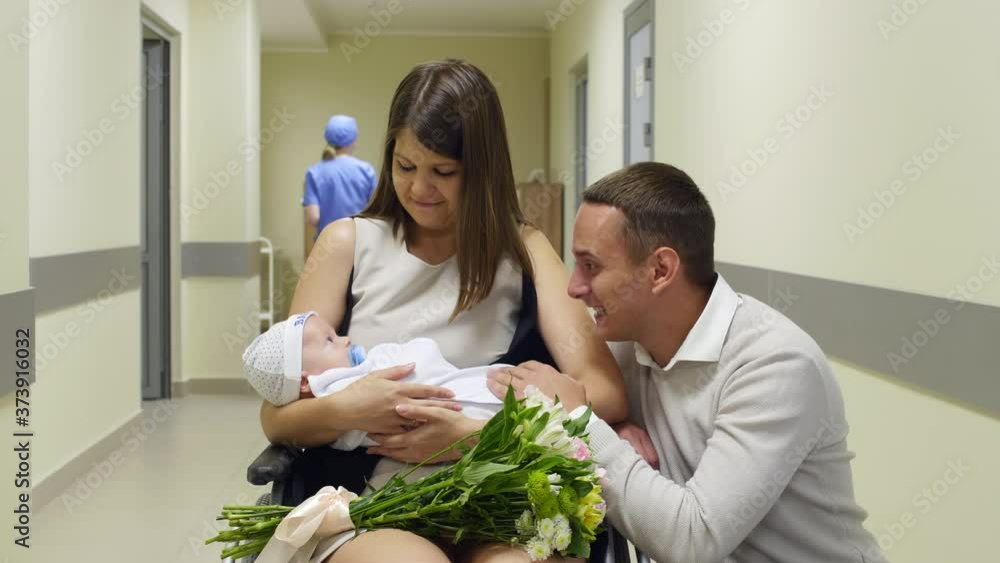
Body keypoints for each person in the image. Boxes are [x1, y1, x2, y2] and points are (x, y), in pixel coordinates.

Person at [259, 59, 626, 563]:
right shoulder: (346, 245)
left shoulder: (524, 251)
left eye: (443, 172)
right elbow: (277, 415)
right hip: (371, 506)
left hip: (500, 501)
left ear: (482, 169)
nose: (418, 189)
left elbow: (604, 393)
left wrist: (479, 438)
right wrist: (353, 408)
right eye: (405, 167)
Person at [487, 162, 886, 562]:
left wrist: (579, 423)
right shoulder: (625, 346)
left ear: (660, 270)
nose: (574, 288)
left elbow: (693, 540)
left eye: (591, 266)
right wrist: (618, 424)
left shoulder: (776, 366)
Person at [243, 310, 507, 452]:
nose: (346, 339)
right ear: (304, 382)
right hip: (466, 415)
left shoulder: (356, 374)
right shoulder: (332, 391)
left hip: (476, 407)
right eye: (330, 340)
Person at [302, 115, 378, 254]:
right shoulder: (366, 170)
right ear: (353, 141)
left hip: (326, 248)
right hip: (359, 246)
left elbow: (313, 218)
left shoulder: (314, 172)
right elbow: (376, 212)